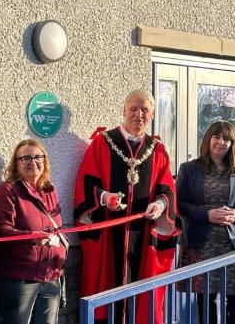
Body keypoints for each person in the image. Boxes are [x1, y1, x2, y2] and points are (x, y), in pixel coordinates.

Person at [74, 89, 178, 324]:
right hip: (109, 238)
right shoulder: (102, 143)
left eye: (145, 110)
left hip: (143, 238)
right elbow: (85, 183)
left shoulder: (157, 149)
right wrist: (103, 198)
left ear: (151, 116)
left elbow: (167, 187)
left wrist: (161, 206)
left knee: (143, 300)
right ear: (123, 111)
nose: (138, 114)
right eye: (133, 108)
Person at [176, 121, 235, 324]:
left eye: (227, 139)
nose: (221, 142)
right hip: (202, 247)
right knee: (206, 304)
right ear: (208, 139)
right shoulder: (189, 169)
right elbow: (179, 205)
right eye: (217, 137)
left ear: (233, 143)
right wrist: (207, 214)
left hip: (234, 248)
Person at [0, 139, 66, 324]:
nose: (33, 162)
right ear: (16, 164)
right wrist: (31, 238)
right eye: (26, 158)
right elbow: (0, 230)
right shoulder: (8, 191)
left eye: (38, 157)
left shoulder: (50, 191)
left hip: (50, 275)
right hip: (20, 278)